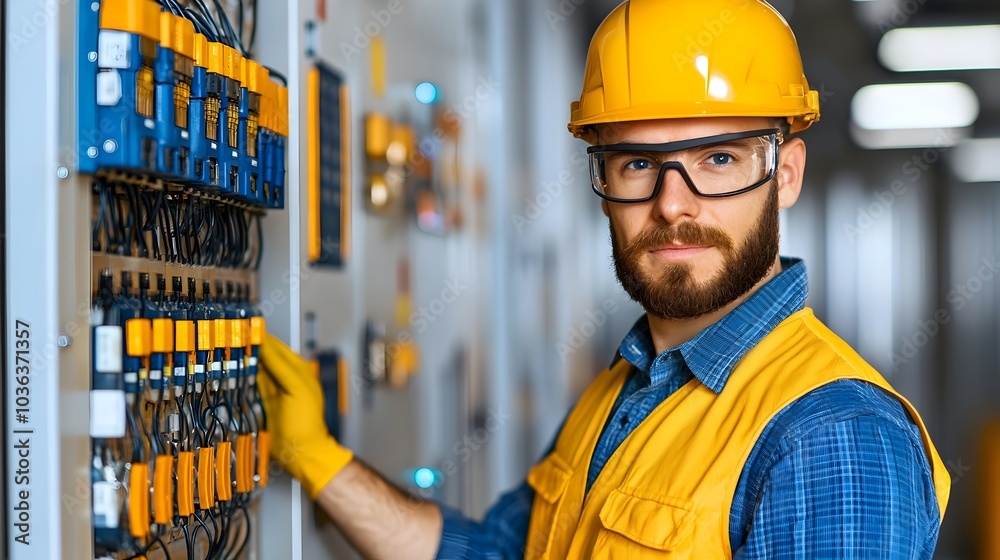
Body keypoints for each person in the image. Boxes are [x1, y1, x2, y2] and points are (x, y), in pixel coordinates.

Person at [258, 0, 951, 557]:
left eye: (716, 159)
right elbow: (498, 552)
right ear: (603, 180)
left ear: (786, 175)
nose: (673, 204)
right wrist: (319, 461)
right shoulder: (622, 391)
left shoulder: (830, 437)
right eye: (638, 165)